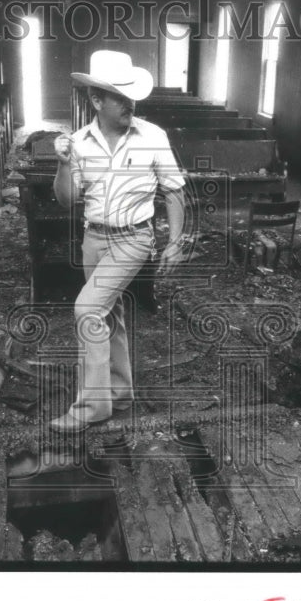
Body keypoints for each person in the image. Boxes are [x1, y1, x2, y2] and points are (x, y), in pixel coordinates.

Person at [49, 50, 188, 433]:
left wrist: (174, 241)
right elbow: (67, 200)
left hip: (135, 239)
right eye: (120, 97)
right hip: (94, 240)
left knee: (87, 310)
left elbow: (174, 190)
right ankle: (121, 392)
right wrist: (62, 164)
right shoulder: (77, 143)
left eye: (132, 96)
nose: (130, 104)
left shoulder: (152, 136)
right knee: (110, 314)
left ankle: (92, 407)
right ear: (97, 100)